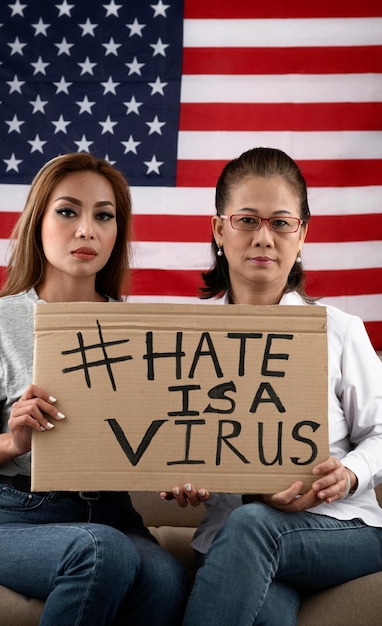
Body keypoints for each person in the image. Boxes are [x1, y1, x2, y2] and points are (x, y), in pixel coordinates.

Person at [0, 152, 189, 626]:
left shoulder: (140, 329)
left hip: (114, 512)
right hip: (17, 515)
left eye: (103, 216)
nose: (86, 229)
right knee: (101, 551)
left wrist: (178, 466)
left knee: (167, 578)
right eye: (67, 211)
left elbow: (151, 435)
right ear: (36, 222)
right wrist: (12, 440)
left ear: (116, 234)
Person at [160, 147, 382, 626]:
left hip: (340, 528)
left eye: (281, 222)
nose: (264, 237)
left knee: (252, 528)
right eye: (247, 220)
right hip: (229, 539)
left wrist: (345, 475)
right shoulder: (183, 339)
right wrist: (180, 476)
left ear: (302, 234)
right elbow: (171, 441)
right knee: (262, 604)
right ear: (219, 230)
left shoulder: (340, 331)